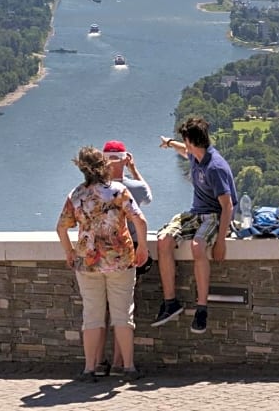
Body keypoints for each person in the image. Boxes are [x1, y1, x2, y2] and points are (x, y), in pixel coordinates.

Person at [56, 146, 148, 383]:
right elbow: (139, 219)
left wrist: (69, 253)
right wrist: (142, 248)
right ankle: (128, 367)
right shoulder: (118, 191)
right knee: (122, 314)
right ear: (103, 166)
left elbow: (61, 228)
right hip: (120, 260)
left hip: (87, 262)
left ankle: (90, 368)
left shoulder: (75, 195)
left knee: (92, 316)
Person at [153, 116, 237, 335]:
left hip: (215, 215)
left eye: (185, 140)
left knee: (198, 246)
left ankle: (201, 309)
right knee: (163, 240)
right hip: (196, 213)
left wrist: (220, 242)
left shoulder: (214, 167)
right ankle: (171, 302)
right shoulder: (196, 155)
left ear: (191, 140)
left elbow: (228, 206)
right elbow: (185, 152)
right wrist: (169, 143)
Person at [98, 139, 153, 376]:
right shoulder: (133, 188)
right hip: (126, 254)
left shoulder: (93, 188)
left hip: (96, 255)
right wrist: (133, 168)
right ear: (125, 159)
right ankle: (121, 363)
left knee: (97, 312)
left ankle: (98, 364)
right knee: (122, 311)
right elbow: (148, 196)